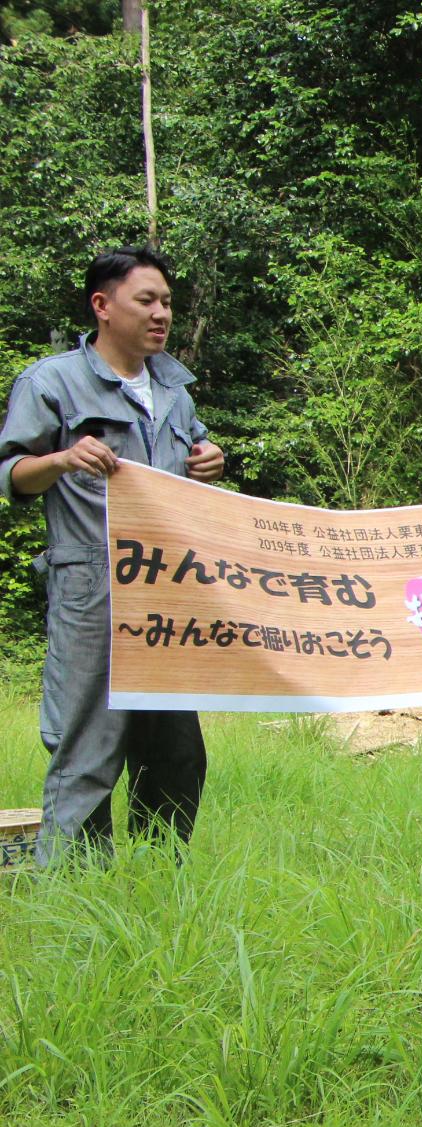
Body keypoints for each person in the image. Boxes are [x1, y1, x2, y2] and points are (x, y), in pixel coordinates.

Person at [0, 247, 226, 864]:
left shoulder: (175, 392)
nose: (161, 315)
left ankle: (159, 881)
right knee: (87, 747)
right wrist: (62, 458)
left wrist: (207, 462)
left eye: (168, 304)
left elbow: (185, 477)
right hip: (91, 588)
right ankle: (76, 894)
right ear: (102, 306)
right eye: (146, 301)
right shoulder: (51, 382)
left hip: (167, 593)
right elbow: (13, 473)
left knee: (176, 749)